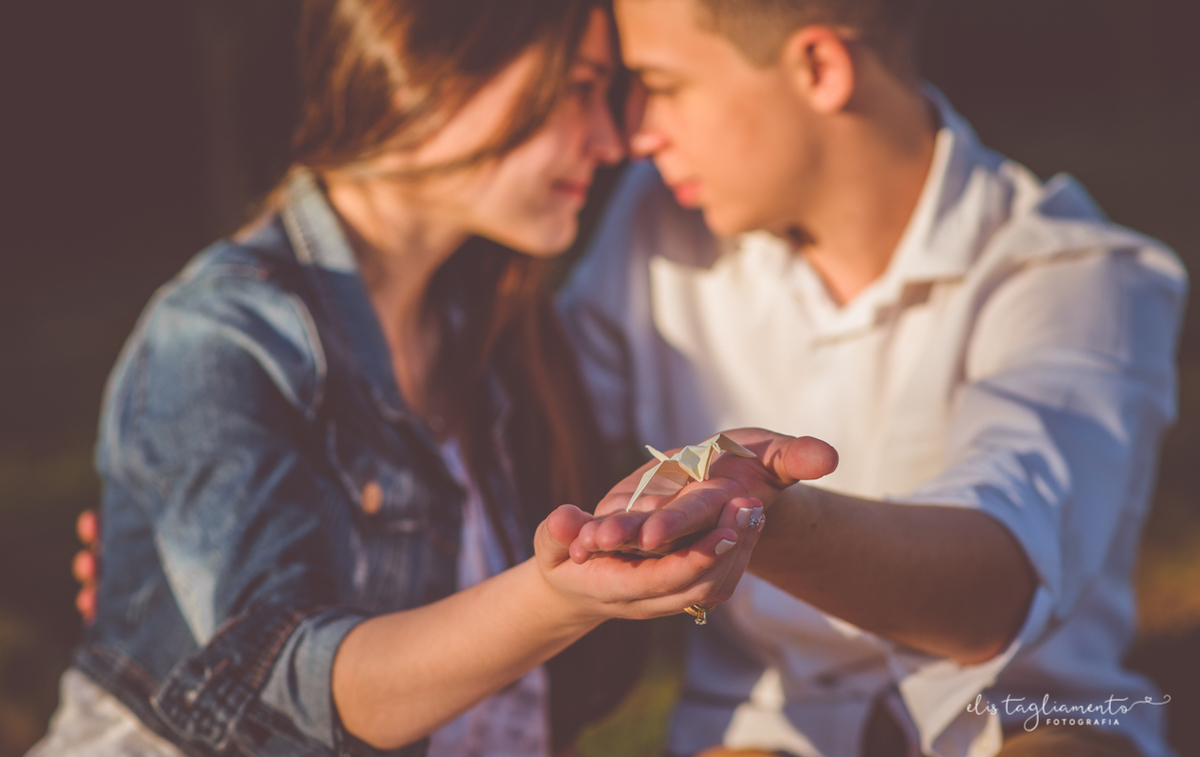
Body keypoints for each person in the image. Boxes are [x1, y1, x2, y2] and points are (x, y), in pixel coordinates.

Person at [33, 1, 842, 755]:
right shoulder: (223, 337)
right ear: (439, 63)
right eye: (582, 88)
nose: (612, 138)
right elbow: (286, 686)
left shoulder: (499, 333)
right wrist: (560, 597)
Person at [556, 0, 1186, 755]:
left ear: (821, 67)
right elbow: (538, 444)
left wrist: (760, 519)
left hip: (1032, 716)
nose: (636, 134)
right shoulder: (652, 233)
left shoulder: (1076, 277)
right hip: (762, 728)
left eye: (662, 84)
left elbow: (993, 588)